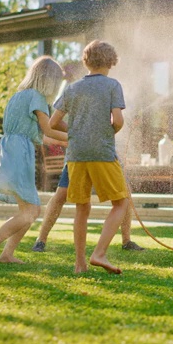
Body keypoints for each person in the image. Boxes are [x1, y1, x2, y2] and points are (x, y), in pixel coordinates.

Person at [0, 55, 66, 266]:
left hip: (11, 149)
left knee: (30, 210)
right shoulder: (37, 98)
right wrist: (75, 137)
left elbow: (40, 136)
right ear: (50, 80)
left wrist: (67, 143)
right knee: (31, 211)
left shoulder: (19, 96)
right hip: (18, 153)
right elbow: (48, 129)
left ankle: (7, 254)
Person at [49, 40, 129, 274]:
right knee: (120, 202)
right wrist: (107, 132)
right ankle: (100, 253)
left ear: (86, 61)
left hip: (75, 155)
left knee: (81, 208)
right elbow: (119, 121)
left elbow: (53, 123)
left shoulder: (72, 88)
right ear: (111, 61)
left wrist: (76, 132)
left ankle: (79, 264)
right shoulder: (113, 85)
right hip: (101, 153)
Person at [31, 163, 145, 252]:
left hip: (104, 157)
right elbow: (52, 134)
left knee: (124, 193)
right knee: (61, 194)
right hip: (78, 157)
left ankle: (127, 241)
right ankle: (41, 239)